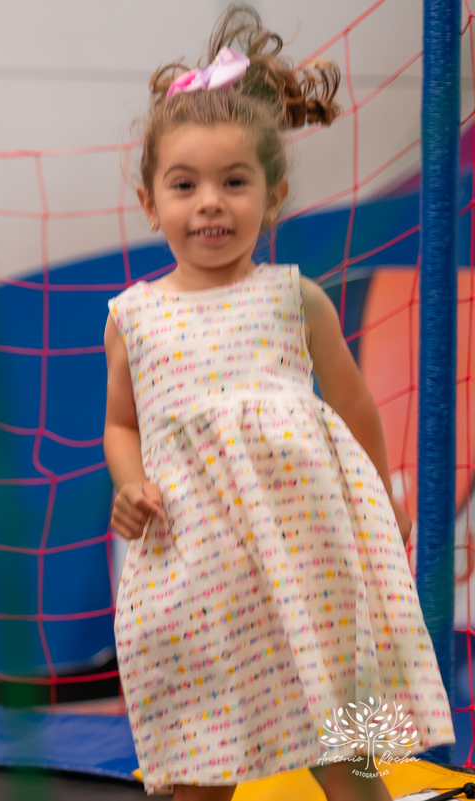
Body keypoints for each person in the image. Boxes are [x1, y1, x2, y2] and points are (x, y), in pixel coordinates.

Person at [103, 6, 453, 799]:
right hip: (193, 564)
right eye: (184, 185)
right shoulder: (134, 317)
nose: (211, 204)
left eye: (235, 183)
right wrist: (129, 482)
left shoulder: (296, 300)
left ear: (273, 192)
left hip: (311, 560)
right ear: (151, 201)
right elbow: (122, 423)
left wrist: (385, 503)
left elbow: (356, 407)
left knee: (346, 733)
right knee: (196, 748)